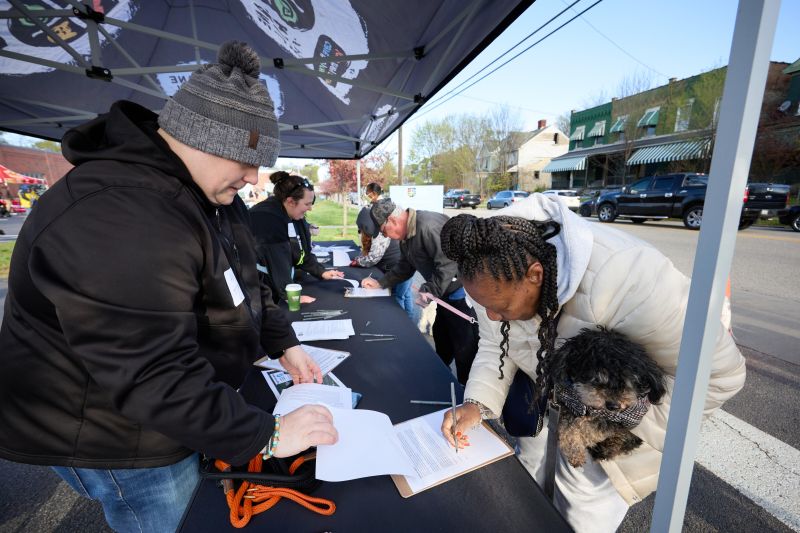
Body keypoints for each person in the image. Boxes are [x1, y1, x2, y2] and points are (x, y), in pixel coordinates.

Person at [0, 41, 338, 533]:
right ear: (204, 140)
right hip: (116, 431)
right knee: (172, 522)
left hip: (164, 410)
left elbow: (248, 279)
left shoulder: (209, 196)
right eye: (246, 161)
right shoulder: (120, 212)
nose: (253, 177)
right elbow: (148, 371)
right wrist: (265, 435)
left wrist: (281, 341)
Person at [438, 195, 746, 533]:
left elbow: (721, 375)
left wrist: (623, 417)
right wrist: (476, 404)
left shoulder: (626, 278)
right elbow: (496, 341)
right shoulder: (493, 275)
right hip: (552, 403)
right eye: (484, 307)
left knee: (577, 516)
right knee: (528, 499)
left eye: (502, 307)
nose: (492, 316)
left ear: (535, 275)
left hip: (616, 434)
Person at [361, 198, 479, 384]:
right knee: (443, 344)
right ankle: (442, 384)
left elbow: (448, 264)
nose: (386, 237)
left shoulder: (427, 227)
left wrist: (429, 290)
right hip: (444, 297)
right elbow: (405, 267)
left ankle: (468, 397)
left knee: (465, 352)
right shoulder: (407, 237)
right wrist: (381, 283)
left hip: (462, 298)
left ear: (392, 220)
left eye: (384, 232)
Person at [249, 171, 344, 305]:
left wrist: (321, 272)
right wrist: (290, 295)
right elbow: (277, 260)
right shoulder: (267, 219)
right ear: (290, 201)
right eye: (307, 204)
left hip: (281, 279)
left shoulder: (292, 213)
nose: (310, 208)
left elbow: (300, 250)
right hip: (263, 290)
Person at [352, 206, 416, 320]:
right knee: (406, 294)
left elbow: (374, 257)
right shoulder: (380, 225)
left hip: (398, 269)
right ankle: (411, 322)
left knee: (398, 297)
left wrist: (358, 261)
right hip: (404, 266)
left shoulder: (381, 231)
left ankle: (402, 324)